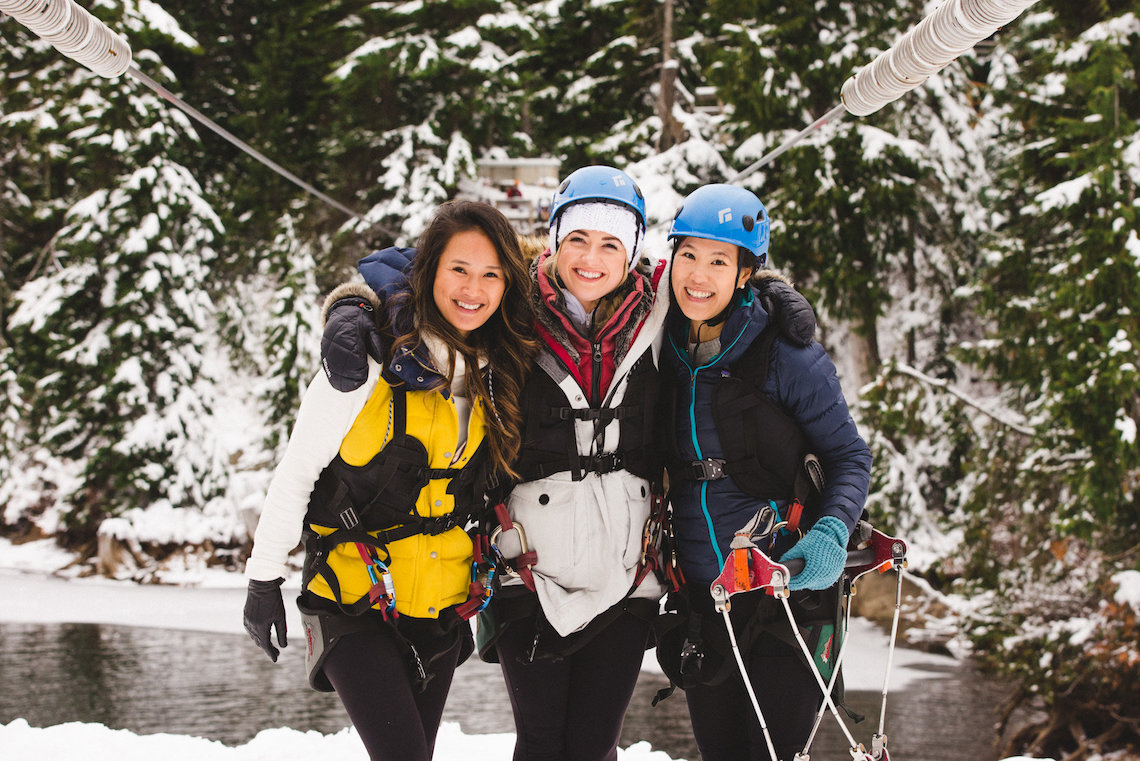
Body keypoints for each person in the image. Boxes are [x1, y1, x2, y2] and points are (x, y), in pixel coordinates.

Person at [241, 200, 538, 761]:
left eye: (491, 274)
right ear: (427, 272)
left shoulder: (497, 369)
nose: (473, 288)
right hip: (355, 598)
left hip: (444, 607)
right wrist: (262, 580)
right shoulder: (363, 358)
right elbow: (298, 471)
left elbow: (589, 278)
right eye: (458, 269)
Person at [655, 184, 873, 761]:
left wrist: (830, 536)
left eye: (719, 261)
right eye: (689, 256)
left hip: (786, 596)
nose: (698, 276)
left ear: (746, 273)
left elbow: (851, 456)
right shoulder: (657, 349)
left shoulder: (788, 357)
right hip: (706, 599)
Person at [478, 164, 671, 761]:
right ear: (556, 240)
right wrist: (352, 306)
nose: (592, 257)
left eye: (611, 243)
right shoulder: (508, 302)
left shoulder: (661, 311)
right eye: (578, 239)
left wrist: (771, 289)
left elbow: (720, 277)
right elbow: (422, 274)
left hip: (626, 568)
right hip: (528, 568)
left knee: (594, 744)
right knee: (541, 742)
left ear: (633, 250)